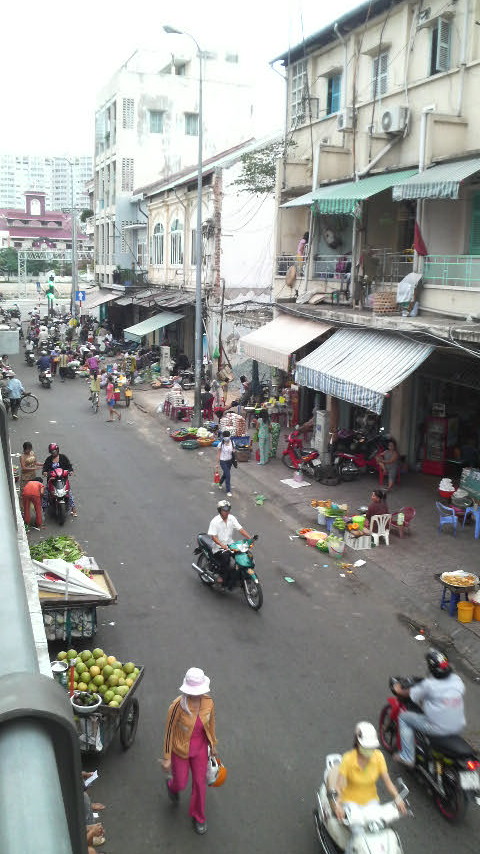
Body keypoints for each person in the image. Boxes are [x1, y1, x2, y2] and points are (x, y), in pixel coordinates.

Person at [162, 667, 217, 835]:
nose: (196, 695)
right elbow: (169, 731)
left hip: (200, 749)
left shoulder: (208, 702)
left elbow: (211, 724)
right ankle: (172, 786)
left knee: (200, 784)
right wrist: (167, 757)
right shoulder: (177, 705)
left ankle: (199, 816)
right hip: (180, 750)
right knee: (181, 783)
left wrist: (213, 745)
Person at [393, 648, 466, 768]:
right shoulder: (457, 681)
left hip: (437, 727)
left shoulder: (429, 686)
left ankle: (407, 756)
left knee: (404, 718)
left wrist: (398, 689)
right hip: (457, 726)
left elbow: (410, 694)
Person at [330, 722, 407, 822]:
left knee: (379, 824)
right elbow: (339, 786)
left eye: (372, 747)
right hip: (350, 802)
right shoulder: (348, 759)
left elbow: (388, 783)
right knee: (357, 830)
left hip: (371, 801)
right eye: (366, 747)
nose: (370, 750)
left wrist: (397, 797)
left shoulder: (378, 756)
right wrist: (338, 804)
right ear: (358, 743)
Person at [207, 499, 253, 588]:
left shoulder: (232, 518)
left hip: (231, 545)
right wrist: (222, 545)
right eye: (224, 510)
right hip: (219, 548)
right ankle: (222, 577)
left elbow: (240, 529)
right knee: (226, 558)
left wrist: (249, 538)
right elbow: (213, 537)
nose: (226, 512)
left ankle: (239, 576)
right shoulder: (215, 522)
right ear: (220, 510)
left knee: (243, 555)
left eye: (228, 510)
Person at [42, 443, 76, 516]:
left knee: (69, 493)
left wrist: (70, 471)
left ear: (57, 450)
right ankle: (43, 510)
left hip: (63, 480)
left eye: (54, 451)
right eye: (51, 452)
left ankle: (73, 509)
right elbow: (45, 468)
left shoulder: (63, 457)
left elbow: (69, 466)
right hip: (52, 480)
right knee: (45, 494)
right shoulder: (48, 459)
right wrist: (44, 472)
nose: (53, 453)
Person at [217, 430, 235, 496]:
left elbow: (233, 451)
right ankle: (228, 490)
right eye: (225, 436)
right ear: (223, 437)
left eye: (227, 436)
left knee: (225, 474)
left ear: (229, 436)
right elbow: (218, 453)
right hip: (223, 461)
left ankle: (220, 483)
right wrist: (217, 463)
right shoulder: (220, 444)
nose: (226, 437)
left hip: (229, 461)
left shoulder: (232, 442)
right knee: (228, 475)